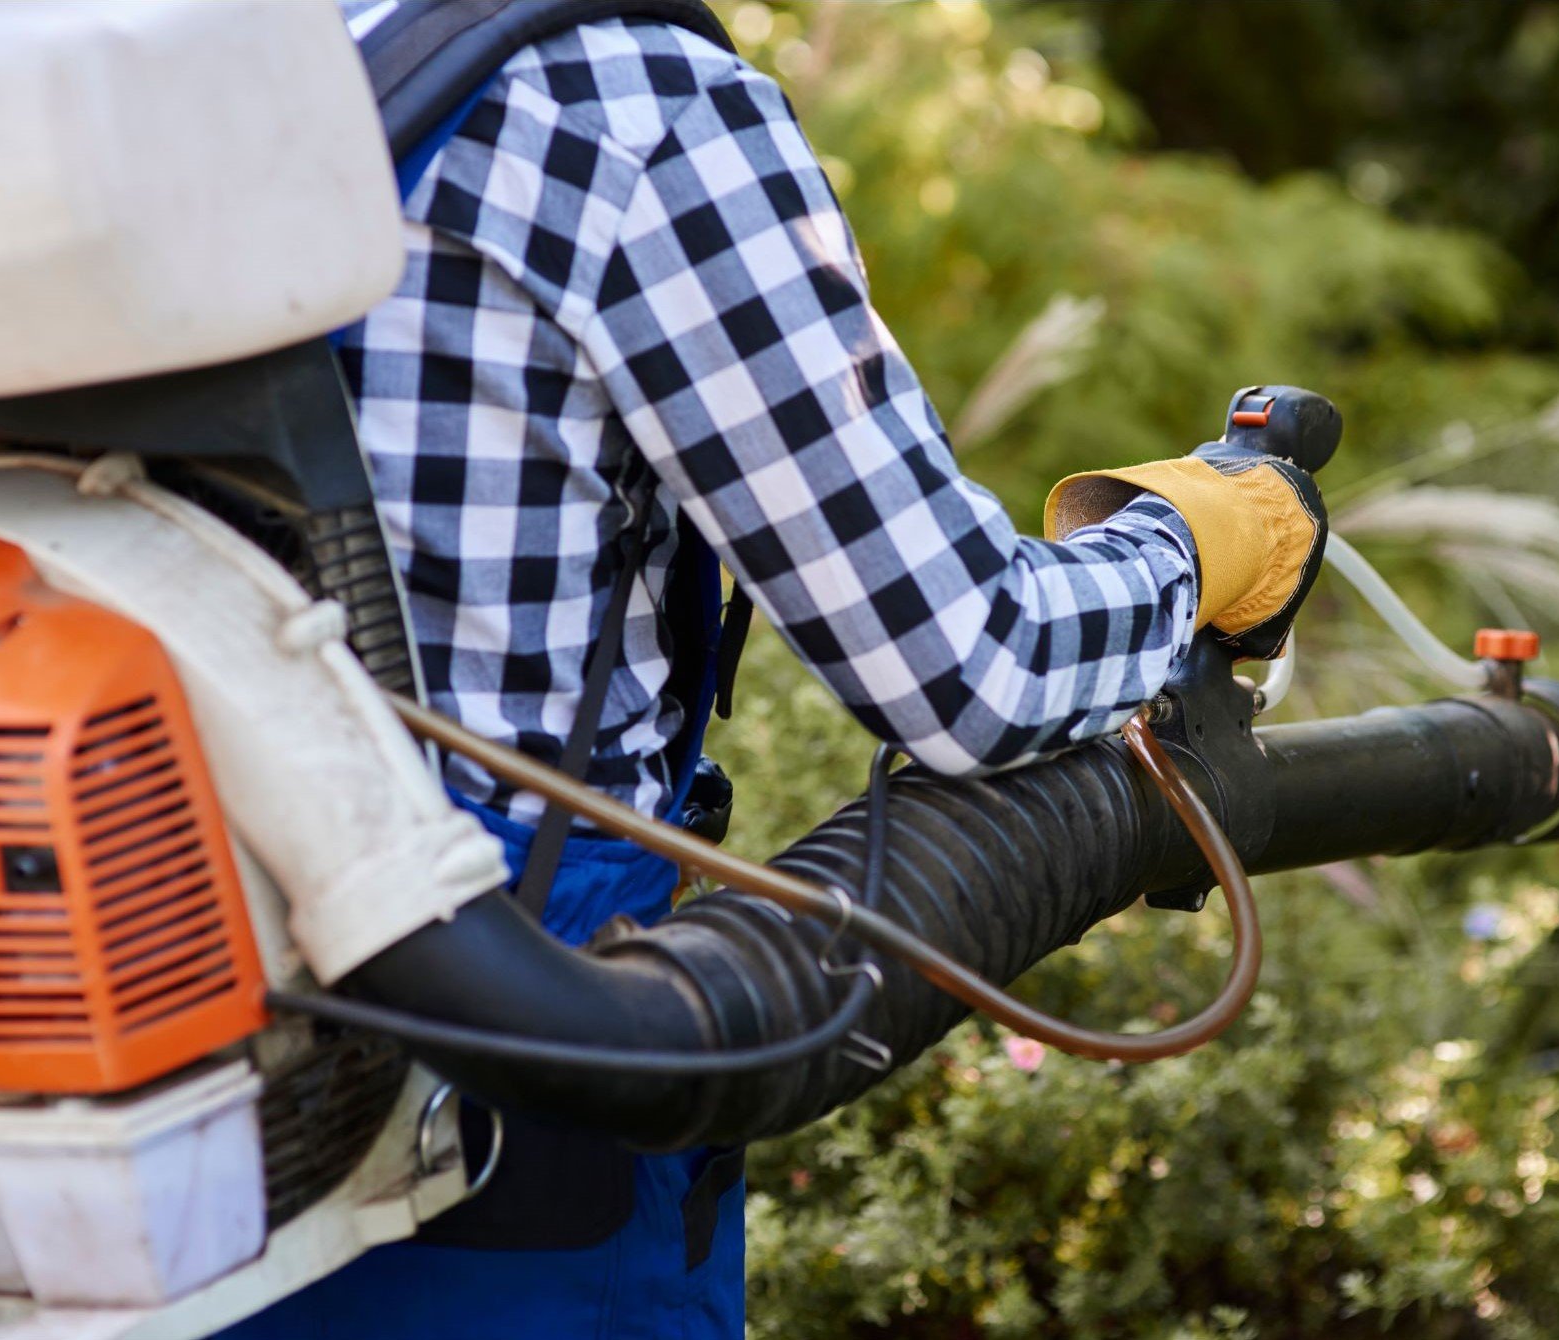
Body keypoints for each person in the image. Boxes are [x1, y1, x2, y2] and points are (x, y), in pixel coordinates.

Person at [220, 6, 1320, 1338]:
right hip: (499, 1093)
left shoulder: (107, 64)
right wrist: (1206, 535)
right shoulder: (616, 105)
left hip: (38, 1003)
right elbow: (972, 664)